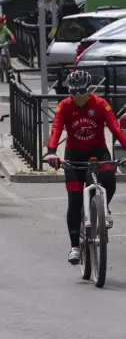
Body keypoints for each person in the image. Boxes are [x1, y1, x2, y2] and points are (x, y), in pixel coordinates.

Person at [43, 70, 126, 265]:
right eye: (75, 95)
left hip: (98, 151)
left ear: (89, 91)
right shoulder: (64, 106)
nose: (79, 99)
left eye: (83, 94)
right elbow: (56, 129)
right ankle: (75, 247)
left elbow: (114, 127)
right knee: (74, 201)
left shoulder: (100, 104)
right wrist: (52, 152)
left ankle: (103, 208)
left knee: (109, 178)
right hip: (74, 155)